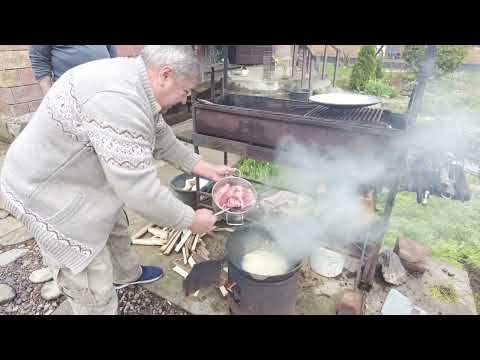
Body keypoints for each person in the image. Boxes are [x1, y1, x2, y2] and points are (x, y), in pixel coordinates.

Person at [0, 45, 235, 315]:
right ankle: (97, 305)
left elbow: (161, 137)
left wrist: (204, 167)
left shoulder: (136, 79)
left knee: (115, 223)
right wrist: (191, 221)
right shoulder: (119, 101)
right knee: (90, 280)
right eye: (185, 91)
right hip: (45, 189)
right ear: (166, 75)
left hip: (75, 170)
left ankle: (126, 275)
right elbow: (140, 191)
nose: (184, 100)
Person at [29, 45, 118, 95]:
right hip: (72, 94)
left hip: (105, 89)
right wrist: (48, 97)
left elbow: (112, 53)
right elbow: (39, 59)